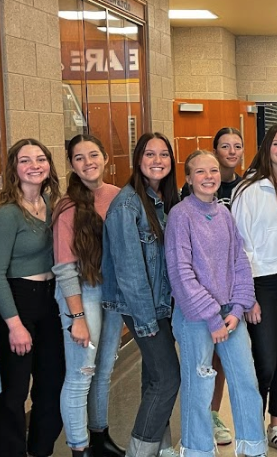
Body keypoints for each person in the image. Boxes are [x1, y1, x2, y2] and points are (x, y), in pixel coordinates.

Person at [166, 150, 267, 457]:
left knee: (246, 380)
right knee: (199, 387)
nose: (208, 177)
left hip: (230, 315)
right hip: (195, 317)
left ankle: (252, 447)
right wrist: (212, 318)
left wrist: (237, 309)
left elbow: (238, 262)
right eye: (200, 172)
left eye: (212, 171)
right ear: (188, 179)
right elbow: (181, 273)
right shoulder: (180, 216)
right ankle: (197, 449)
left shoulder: (224, 213)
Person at [102, 133, 181, 457]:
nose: (158, 160)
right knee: (167, 380)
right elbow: (130, 270)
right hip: (142, 308)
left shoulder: (163, 200)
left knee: (153, 380)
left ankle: (160, 449)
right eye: (150, 154)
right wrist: (147, 321)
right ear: (138, 160)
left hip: (161, 306)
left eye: (164, 154)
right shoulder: (127, 204)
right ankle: (140, 452)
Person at [0, 138, 64, 457]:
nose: (34, 165)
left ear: (49, 165)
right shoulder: (6, 214)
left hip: (49, 302)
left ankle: (40, 450)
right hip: (16, 303)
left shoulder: (52, 205)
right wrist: (15, 325)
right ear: (14, 168)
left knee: (51, 386)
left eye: (40, 159)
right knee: (13, 394)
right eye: (25, 160)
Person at [231, 124, 277, 456]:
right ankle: (251, 431)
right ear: (267, 147)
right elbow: (237, 245)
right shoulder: (248, 189)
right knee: (263, 362)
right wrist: (246, 295)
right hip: (261, 283)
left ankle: (276, 426)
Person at [51, 135, 125, 457]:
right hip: (82, 293)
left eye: (93, 154)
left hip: (113, 292)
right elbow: (65, 269)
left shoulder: (120, 197)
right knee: (82, 373)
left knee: (104, 368)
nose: (88, 162)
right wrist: (77, 318)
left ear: (105, 157)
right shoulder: (67, 206)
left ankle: (99, 438)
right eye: (79, 158)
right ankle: (79, 448)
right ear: (71, 164)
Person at [180, 127, 245, 445]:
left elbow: (240, 256)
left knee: (235, 371)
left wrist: (241, 301)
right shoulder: (185, 210)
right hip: (199, 307)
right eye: (225, 146)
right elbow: (183, 268)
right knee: (200, 374)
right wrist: (210, 312)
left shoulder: (241, 195)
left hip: (233, 299)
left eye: (237, 146)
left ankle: (219, 422)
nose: (231, 151)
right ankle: (197, 441)